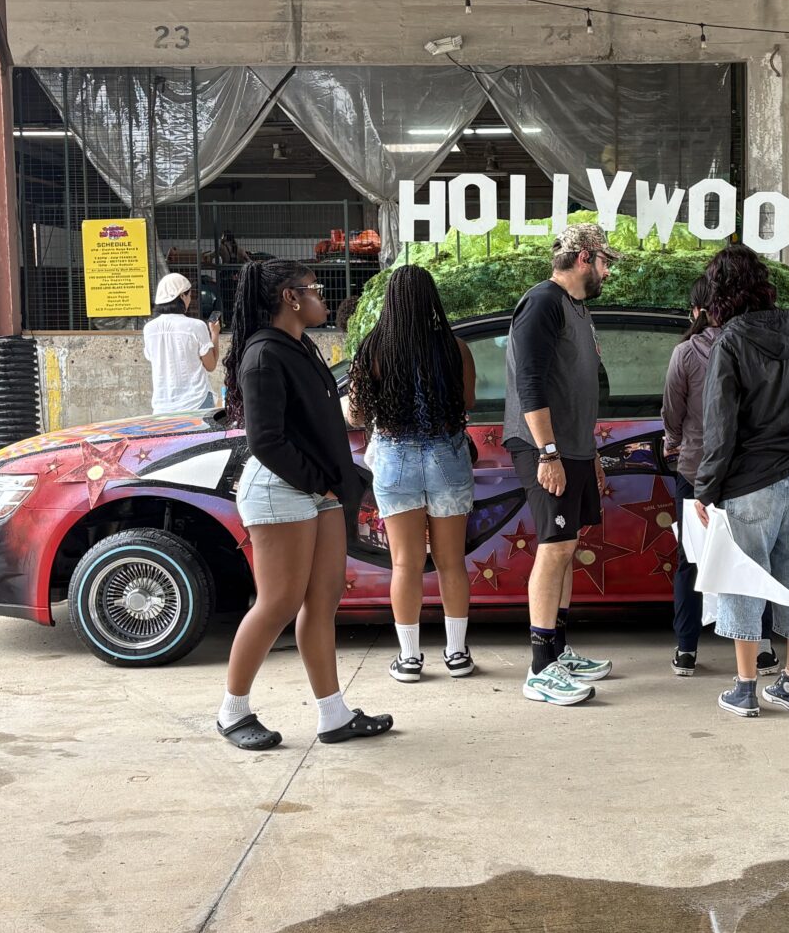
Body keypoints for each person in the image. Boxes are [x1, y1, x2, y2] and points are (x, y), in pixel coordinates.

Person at [215, 258, 391, 750]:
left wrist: (333, 485)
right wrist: (322, 484)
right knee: (278, 603)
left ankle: (333, 715)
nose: (322, 297)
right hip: (282, 489)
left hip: (319, 490)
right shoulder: (263, 354)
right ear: (290, 298)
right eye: (315, 288)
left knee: (323, 600)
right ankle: (232, 712)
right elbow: (266, 440)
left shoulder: (300, 346)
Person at [693, 244, 789, 718]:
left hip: (749, 482)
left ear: (720, 292)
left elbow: (720, 427)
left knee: (743, 581)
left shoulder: (730, 341)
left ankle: (745, 689)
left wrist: (706, 489)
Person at [503, 223, 617, 706]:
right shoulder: (543, 302)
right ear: (584, 257)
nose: (608, 272)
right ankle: (539, 668)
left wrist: (588, 452)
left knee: (567, 546)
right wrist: (548, 452)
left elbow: (577, 385)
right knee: (554, 547)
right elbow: (529, 382)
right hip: (544, 447)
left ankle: (557, 648)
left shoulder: (576, 307)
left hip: (572, 446)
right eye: (605, 262)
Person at [347, 266, 478, 682]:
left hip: (394, 459)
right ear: (430, 299)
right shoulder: (456, 348)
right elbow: (467, 401)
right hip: (447, 455)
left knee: (405, 564)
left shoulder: (374, 349)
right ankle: (457, 655)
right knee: (451, 562)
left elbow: (357, 414)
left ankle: (409, 659)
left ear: (391, 301)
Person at [662, 276, 721, 677]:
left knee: (691, 560)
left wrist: (674, 442)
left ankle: (686, 650)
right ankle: (763, 648)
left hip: (695, 467)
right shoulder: (745, 346)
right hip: (742, 471)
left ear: (696, 311)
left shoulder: (684, 353)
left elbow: (672, 411)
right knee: (748, 555)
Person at [143, 273, 220, 413]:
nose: (190, 299)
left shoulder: (149, 329)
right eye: (189, 295)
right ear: (182, 296)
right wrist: (214, 334)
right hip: (197, 403)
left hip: (162, 407)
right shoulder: (196, 326)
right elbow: (211, 365)